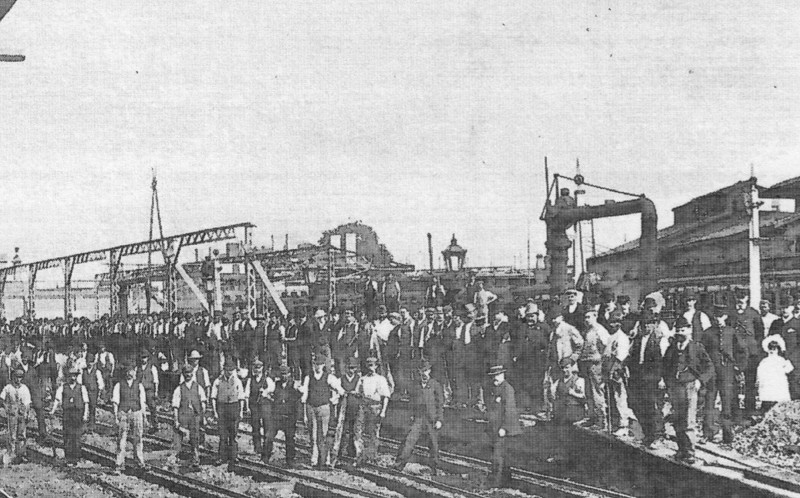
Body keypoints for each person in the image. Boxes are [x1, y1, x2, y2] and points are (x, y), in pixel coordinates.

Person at [663, 317, 714, 464]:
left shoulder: (697, 347)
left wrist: (700, 381)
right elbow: (665, 365)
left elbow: (709, 367)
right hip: (675, 387)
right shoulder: (672, 347)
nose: (680, 333)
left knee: (688, 421)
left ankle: (690, 453)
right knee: (677, 419)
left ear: (689, 330)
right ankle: (681, 450)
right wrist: (666, 381)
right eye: (678, 330)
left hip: (690, 386)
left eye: (683, 330)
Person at [697, 306, 746, 444]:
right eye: (716, 316)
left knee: (727, 402)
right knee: (709, 402)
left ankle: (727, 434)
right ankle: (708, 433)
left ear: (725, 317)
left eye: (721, 316)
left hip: (727, 372)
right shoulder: (707, 333)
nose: (718, 319)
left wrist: (738, 367)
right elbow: (700, 352)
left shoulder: (731, 332)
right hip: (711, 373)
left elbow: (742, 350)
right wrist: (704, 370)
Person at [394, 359, 444, 474]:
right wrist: (411, 416)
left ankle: (434, 468)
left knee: (433, 444)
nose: (424, 373)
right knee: (409, 441)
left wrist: (439, 420)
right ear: (419, 372)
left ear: (429, 371)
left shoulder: (435, 385)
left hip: (431, 419)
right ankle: (398, 465)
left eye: (426, 370)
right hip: (418, 418)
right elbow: (411, 402)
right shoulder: (415, 385)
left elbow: (440, 404)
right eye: (422, 371)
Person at [626, 311, 665, 449]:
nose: (646, 326)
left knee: (653, 406)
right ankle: (647, 434)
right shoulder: (638, 339)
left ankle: (658, 435)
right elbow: (632, 357)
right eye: (644, 324)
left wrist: (661, 379)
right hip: (639, 377)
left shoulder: (659, 340)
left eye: (649, 324)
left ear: (654, 325)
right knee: (639, 405)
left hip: (652, 377)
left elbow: (662, 362)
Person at [300, 355, 344, 469]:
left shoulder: (329, 377)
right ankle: (314, 459)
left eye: (320, 364)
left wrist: (334, 399)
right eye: (316, 364)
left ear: (323, 365)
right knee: (313, 435)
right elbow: (305, 394)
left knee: (323, 434)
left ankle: (325, 459)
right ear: (313, 364)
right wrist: (304, 413)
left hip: (324, 408)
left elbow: (340, 390)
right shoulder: (308, 377)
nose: (318, 366)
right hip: (311, 407)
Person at [485, 364, 522, 488]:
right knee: (499, 455)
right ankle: (504, 481)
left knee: (498, 456)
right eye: (493, 376)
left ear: (503, 375)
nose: (495, 378)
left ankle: (496, 483)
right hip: (495, 427)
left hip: (503, 428)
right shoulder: (494, 388)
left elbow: (510, 410)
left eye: (498, 375)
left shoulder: (507, 389)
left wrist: (504, 427)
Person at [354, 356, 392, 466]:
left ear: (376, 366)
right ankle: (359, 455)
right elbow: (357, 392)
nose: (371, 368)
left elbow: (386, 396)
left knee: (373, 432)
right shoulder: (363, 379)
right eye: (369, 365)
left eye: (373, 365)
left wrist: (383, 411)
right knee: (358, 430)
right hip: (363, 405)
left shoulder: (381, 379)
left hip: (375, 406)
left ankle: (371, 455)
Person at [577, 305, 610, 430]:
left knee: (597, 392)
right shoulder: (587, 331)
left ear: (595, 316)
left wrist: (603, 362)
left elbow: (607, 347)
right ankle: (592, 417)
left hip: (596, 364)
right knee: (588, 393)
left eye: (588, 317)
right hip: (586, 364)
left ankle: (601, 420)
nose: (586, 320)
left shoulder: (600, 330)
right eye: (585, 317)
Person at [111, 362, 147, 473]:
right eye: (129, 371)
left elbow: (142, 402)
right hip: (123, 413)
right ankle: (119, 463)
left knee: (138, 438)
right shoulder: (119, 385)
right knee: (122, 439)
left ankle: (139, 462)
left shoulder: (139, 385)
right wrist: (116, 416)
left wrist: (144, 416)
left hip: (136, 412)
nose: (131, 373)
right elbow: (115, 402)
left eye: (132, 371)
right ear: (126, 372)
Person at [51, 365, 89, 466]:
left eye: (74, 376)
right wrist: (53, 410)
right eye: (71, 376)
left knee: (76, 437)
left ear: (76, 376)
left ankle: (75, 458)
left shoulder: (82, 388)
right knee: (67, 436)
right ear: (68, 376)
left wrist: (85, 415)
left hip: (77, 414)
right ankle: (68, 458)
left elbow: (86, 402)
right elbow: (57, 400)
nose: (73, 378)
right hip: (67, 414)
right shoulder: (63, 387)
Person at [172, 364, 207, 471]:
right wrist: (176, 420)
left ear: (192, 374)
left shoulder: (198, 387)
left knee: (195, 437)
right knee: (179, 436)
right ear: (183, 374)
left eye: (190, 373)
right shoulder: (179, 389)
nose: (188, 375)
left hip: (195, 415)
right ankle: (176, 457)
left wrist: (203, 416)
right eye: (186, 373)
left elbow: (203, 402)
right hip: (183, 415)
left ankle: (195, 459)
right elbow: (175, 406)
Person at [211, 360, 246, 471]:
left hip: (233, 408)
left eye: (231, 370)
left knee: (233, 434)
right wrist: (215, 411)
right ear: (224, 370)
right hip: (222, 408)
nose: (229, 372)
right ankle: (222, 457)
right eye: (227, 370)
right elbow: (213, 397)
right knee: (222, 435)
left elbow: (241, 397)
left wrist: (241, 411)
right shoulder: (218, 381)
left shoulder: (237, 381)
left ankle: (233, 457)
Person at [602, 310, 631, 436]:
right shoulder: (611, 337)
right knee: (611, 398)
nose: (612, 325)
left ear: (620, 324)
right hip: (608, 369)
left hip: (617, 371)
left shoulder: (622, 337)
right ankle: (614, 422)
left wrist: (614, 370)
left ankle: (623, 425)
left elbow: (621, 357)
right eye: (611, 322)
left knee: (620, 398)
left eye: (615, 322)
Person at [266, 364, 301, 466]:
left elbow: (299, 399)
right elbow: (270, 394)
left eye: (286, 374)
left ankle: (290, 461)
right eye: (282, 374)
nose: (284, 376)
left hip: (289, 416)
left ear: (290, 374)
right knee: (269, 436)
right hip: (277, 415)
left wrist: (295, 416)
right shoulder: (276, 384)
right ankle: (265, 457)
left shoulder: (294, 385)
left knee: (290, 439)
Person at [244, 359, 275, 462]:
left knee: (267, 427)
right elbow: (247, 394)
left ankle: (267, 448)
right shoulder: (250, 380)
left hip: (265, 406)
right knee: (255, 427)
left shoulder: (267, 379)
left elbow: (273, 389)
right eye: (255, 368)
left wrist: (265, 391)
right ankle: (257, 448)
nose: (257, 370)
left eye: (259, 368)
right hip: (254, 406)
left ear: (262, 368)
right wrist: (247, 407)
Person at [0, 368, 31, 463]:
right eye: (16, 377)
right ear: (13, 377)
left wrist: (27, 413)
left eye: (20, 377)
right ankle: (11, 453)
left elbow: (27, 403)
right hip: (12, 412)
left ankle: (21, 454)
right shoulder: (8, 387)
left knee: (22, 433)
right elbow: (2, 399)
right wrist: (6, 407)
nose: (18, 379)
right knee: (12, 434)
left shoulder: (24, 388)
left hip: (22, 411)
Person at [757, 335, 794, 413]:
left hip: (778, 383)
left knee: (779, 400)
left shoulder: (781, 360)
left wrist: (786, 361)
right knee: (767, 400)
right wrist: (761, 381)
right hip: (768, 384)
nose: (772, 350)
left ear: (778, 350)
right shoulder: (764, 361)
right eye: (770, 348)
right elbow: (760, 372)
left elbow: (789, 369)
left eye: (774, 349)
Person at [338, 357, 362, 459]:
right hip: (344, 408)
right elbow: (337, 392)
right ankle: (339, 451)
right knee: (342, 431)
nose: (351, 370)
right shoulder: (341, 379)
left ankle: (351, 451)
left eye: (353, 368)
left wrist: (357, 393)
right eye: (349, 368)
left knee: (353, 431)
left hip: (355, 408)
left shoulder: (359, 379)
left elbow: (361, 392)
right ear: (346, 368)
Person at [79, 353, 105, 433]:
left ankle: (92, 426)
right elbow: (80, 381)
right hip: (84, 392)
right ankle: (83, 425)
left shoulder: (97, 372)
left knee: (92, 408)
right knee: (82, 407)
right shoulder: (83, 371)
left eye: (91, 362)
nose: (89, 363)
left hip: (93, 392)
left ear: (93, 363)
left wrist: (99, 392)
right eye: (88, 361)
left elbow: (100, 383)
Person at [136, 351, 159, 434]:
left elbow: (156, 380)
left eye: (145, 357)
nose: (143, 359)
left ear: (148, 358)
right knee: (140, 407)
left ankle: (155, 425)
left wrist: (156, 391)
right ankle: (142, 425)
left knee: (152, 406)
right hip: (140, 390)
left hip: (149, 389)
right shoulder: (138, 368)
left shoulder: (152, 367)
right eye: (142, 357)